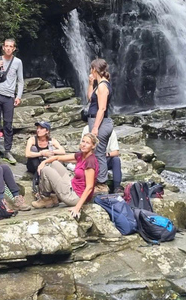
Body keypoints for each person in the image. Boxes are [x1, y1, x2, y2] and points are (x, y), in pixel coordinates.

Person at [32, 133, 105, 218]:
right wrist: (43, 162)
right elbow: (58, 158)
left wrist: (77, 207)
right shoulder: (81, 155)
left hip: (75, 196)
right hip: (73, 185)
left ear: (93, 146)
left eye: (87, 143)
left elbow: (89, 187)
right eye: (83, 141)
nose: (84, 145)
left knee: (46, 170)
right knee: (55, 163)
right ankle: (53, 198)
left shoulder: (90, 161)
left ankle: (46, 198)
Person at [0, 39, 24, 164]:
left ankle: (7, 150)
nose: (8, 48)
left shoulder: (18, 62)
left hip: (9, 97)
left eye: (10, 46)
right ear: (3, 47)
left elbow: (20, 81)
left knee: (8, 125)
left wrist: (18, 96)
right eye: (6, 46)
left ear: (14, 48)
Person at [87, 59, 114, 187]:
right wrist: (90, 83)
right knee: (97, 152)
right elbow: (90, 99)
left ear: (95, 69)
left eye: (91, 68)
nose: (90, 71)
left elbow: (102, 108)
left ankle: (102, 183)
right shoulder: (101, 84)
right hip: (96, 121)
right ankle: (98, 180)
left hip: (100, 123)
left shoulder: (103, 86)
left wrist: (96, 127)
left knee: (99, 153)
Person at [81, 124, 122, 192]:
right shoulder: (87, 128)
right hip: (91, 159)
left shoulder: (110, 130)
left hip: (104, 159)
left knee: (116, 160)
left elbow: (116, 152)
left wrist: (106, 154)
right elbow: (82, 146)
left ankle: (117, 187)